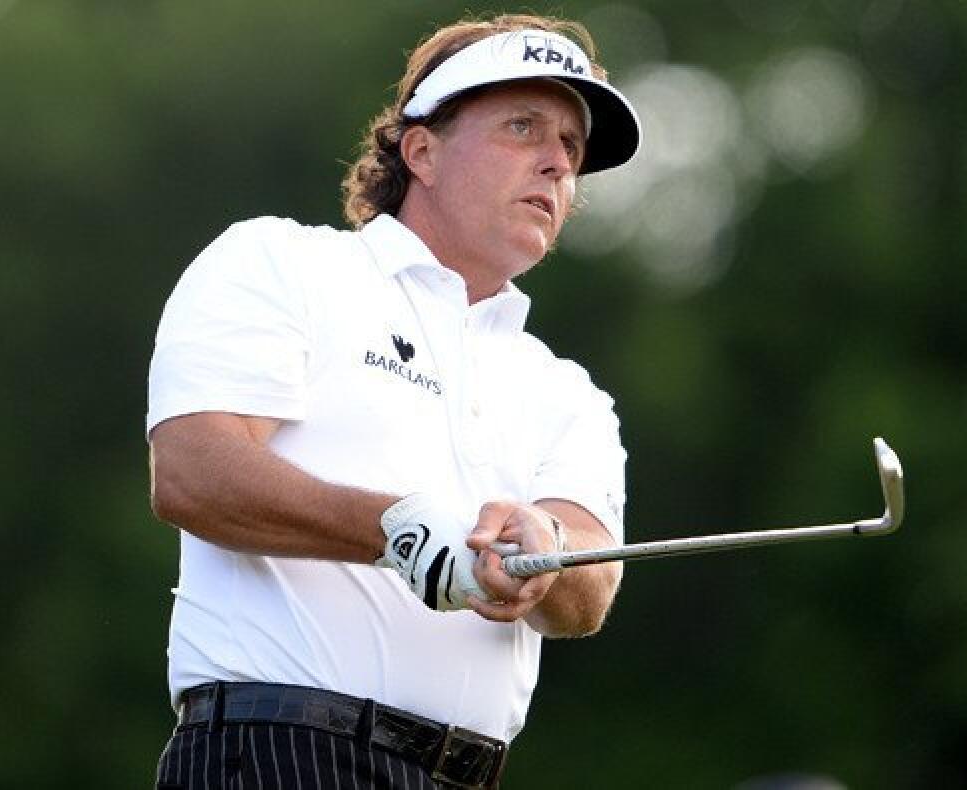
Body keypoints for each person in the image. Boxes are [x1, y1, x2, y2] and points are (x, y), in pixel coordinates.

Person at [146, 12, 641, 789]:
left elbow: (589, 590)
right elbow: (193, 473)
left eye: (571, 150)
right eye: (523, 127)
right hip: (281, 754)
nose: (556, 165)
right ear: (422, 150)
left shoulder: (566, 390)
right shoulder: (283, 263)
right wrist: (399, 530)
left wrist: (543, 549)